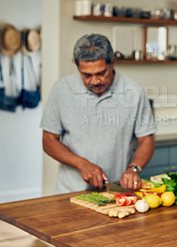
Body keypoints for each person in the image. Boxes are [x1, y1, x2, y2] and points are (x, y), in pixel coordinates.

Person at [41, 34, 156, 193]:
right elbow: (48, 140)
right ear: (77, 66)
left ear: (112, 63)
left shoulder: (133, 91)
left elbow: (146, 140)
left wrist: (134, 169)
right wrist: (82, 164)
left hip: (115, 191)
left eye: (101, 73)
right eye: (86, 75)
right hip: (69, 191)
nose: (95, 81)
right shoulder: (61, 89)